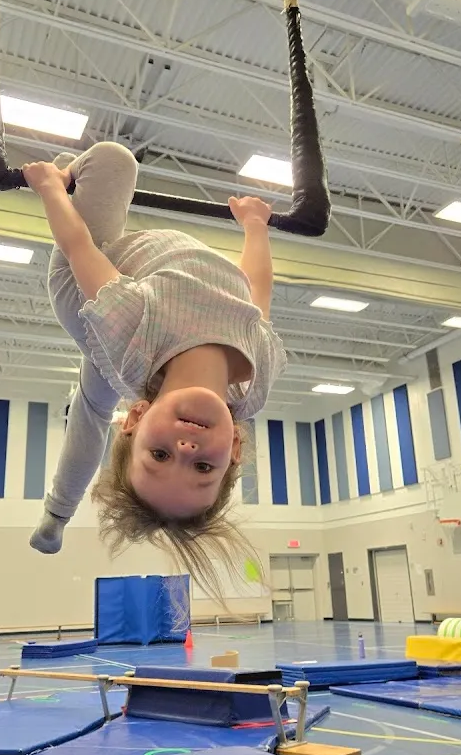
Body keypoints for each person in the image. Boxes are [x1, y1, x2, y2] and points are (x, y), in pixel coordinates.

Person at [22, 141, 286, 597]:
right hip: (136, 306)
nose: (185, 447)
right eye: (202, 465)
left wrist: (50, 189)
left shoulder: (129, 336)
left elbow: (78, 246)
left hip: (92, 290)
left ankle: (57, 512)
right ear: (234, 447)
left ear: (138, 417)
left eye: (159, 455)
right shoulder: (255, 377)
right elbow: (255, 293)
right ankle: (57, 517)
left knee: (113, 159)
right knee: (93, 402)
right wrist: (255, 226)